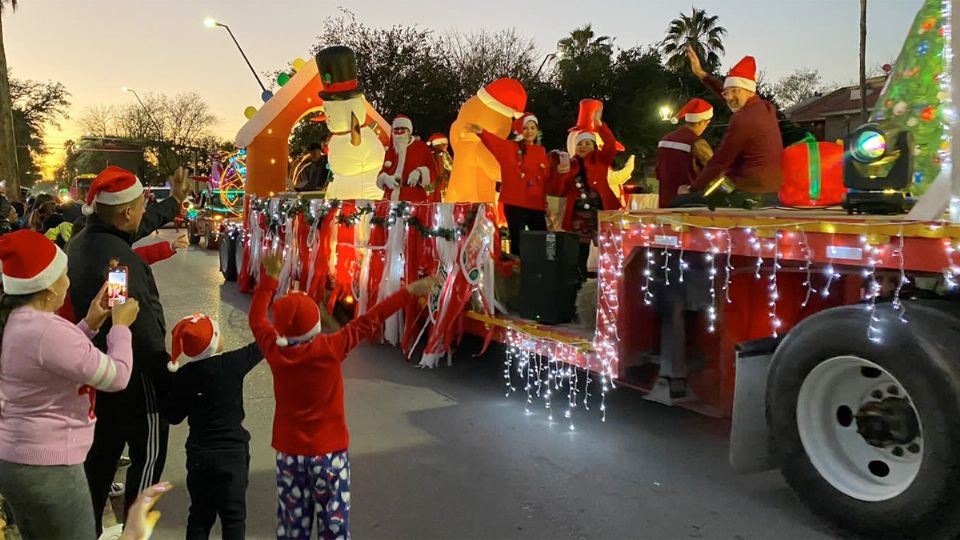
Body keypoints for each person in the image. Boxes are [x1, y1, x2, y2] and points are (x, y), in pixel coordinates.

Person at [249, 250, 438, 539]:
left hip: (289, 455)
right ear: (316, 324)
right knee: (334, 527)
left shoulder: (274, 350)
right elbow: (371, 319)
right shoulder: (330, 348)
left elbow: (256, 319)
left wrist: (269, 281)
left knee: (291, 526)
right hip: (329, 456)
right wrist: (409, 291)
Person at [66, 165, 189, 534]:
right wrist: (165, 374)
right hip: (136, 378)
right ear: (125, 212)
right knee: (148, 456)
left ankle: (86, 526)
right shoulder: (118, 265)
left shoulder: (86, 239)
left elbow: (136, 225)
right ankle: (135, 528)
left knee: (101, 455)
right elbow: (135, 320)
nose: (142, 211)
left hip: (101, 371)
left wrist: (174, 201)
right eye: (140, 205)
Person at [0, 230, 140, 540]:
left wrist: (90, 323)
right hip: (50, 468)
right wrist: (120, 327)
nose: (69, 281)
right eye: (64, 275)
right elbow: (116, 376)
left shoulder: (19, 321)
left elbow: (49, 361)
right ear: (49, 287)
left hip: (17, 461)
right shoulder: (47, 331)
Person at [163, 314, 261, 540]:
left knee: (199, 516)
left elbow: (173, 416)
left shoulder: (185, 375)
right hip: (232, 454)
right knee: (234, 518)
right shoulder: (232, 363)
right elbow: (261, 346)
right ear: (214, 341)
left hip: (200, 456)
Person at [679, 47, 783, 208]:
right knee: (713, 189)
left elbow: (719, 161)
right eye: (727, 93)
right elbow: (731, 94)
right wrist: (703, 75)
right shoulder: (765, 108)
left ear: (748, 90)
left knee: (682, 202)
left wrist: (693, 188)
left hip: (746, 190)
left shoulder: (742, 119)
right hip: (770, 188)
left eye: (735, 91)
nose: (730, 98)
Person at [550, 102, 620, 280]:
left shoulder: (601, 160)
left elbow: (611, 146)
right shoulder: (570, 165)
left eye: (587, 143)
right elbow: (558, 190)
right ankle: (579, 284)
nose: (583, 147)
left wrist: (599, 125)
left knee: (608, 250)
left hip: (601, 215)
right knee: (579, 254)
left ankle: (609, 283)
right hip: (578, 218)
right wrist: (559, 173)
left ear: (594, 146)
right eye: (580, 144)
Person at [467, 113, 551, 256]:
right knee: (518, 242)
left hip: (536, 204)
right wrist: (481, 132)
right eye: (525, 128)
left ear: (537, 131)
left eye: (532, 128)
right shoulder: (510, 148)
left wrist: (546, 202)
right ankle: (517, 271)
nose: (529, 131)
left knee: (543, 241)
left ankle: (542, 270)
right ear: (520, 131)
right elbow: (495, 143)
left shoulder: (541, 151)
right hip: (515, 204)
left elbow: (545, 178)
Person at [655, 98, 715, 208]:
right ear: (701, 121)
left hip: (665, 201)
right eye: (707, 122)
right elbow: (713, 169)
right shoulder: (697, 143)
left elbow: (658, 171)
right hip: (688, 204)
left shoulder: (664, 140)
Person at [376, 115, 438, 202]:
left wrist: (419, 172)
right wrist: (386, 179)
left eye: (402, 129)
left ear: (409, 131)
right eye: (396, 129)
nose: (399, 131)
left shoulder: (421, 147)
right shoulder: (390, 150)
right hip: (390, 199)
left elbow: (433, 173)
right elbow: (382, 173)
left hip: (414, 199)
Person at [427, 133, 453, 200]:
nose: (446, 146)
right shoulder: (443, 154)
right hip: (442, 186)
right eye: (445, 144)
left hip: (430, 187)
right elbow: (451, 167)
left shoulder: (427, 153)